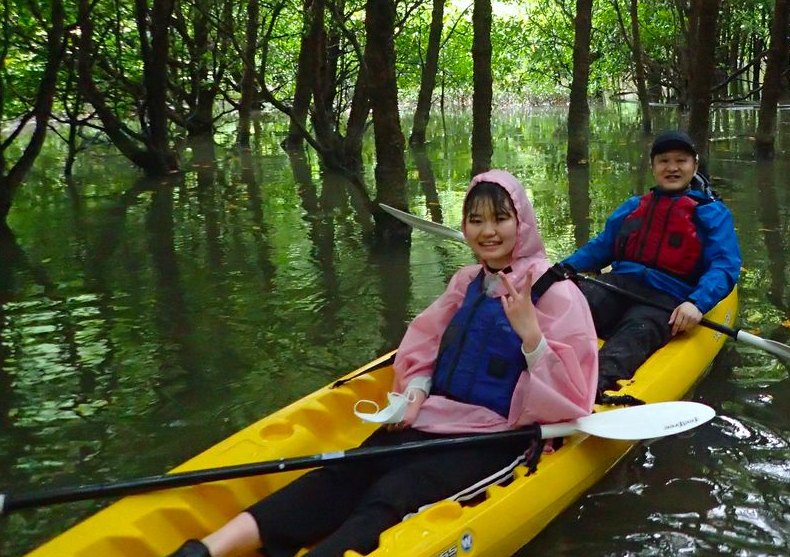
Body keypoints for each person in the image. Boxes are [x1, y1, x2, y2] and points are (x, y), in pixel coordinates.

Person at [166, 170, 598, 557]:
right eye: (476, 220)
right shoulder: (466, 281)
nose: (487, 231)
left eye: (500, 219)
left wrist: (531, 335)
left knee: (394, 493)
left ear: (520, 223)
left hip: (495, 438)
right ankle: (204, 550)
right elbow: (424, 346)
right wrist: (415, 392)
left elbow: (572, 399)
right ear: (464, 226)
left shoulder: (556, 293)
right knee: (340, 474)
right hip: (432, 419)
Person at [555, 130, 741, 403]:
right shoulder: (633, 207)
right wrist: (561, 270)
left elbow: (724, 266)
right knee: (566, 305)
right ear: (653, 167)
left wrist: (697, 304)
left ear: (695, 166)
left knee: (636, 331)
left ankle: (589, 393)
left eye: (681, 160)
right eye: (664, 161)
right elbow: (600, 248)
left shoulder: (711, 215)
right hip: (618, 285)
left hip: (667, 299)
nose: (673, 167)